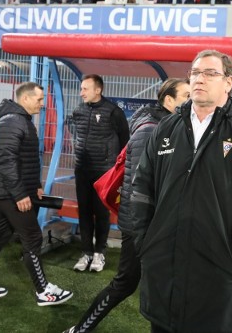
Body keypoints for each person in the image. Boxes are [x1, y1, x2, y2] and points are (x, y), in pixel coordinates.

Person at [131, 50, 232, 333]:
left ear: (228, 82)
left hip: (217, 274)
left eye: (210, 73)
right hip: (164, 267)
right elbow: (141, 190)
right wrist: (144, 242)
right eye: (195, 72)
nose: (200, 79)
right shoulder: (166, 128)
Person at [64, 78, 190, 333]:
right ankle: (81, 329)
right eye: (186, 96)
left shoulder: (173, 127)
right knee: (126, 284)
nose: (192, 100)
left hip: (158, 225)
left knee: (168, 286)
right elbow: (140, 185)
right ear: (169, 101)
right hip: (142, 226)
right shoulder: (150, 130)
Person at [0, 82, 73, 306]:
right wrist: (19, 195)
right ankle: (44, 291)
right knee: (33, 237)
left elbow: (25, 160)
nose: (42, 104)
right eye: (39, 99)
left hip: (15, 191)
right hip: (10, 194)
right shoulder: (12, 123)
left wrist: (34, 185)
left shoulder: (21, 121)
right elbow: (6, 163)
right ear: (25, 99)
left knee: (0, 236)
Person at [72, 74, 130, 272]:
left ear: (98, 90)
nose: (81, 93)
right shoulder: (78, 111)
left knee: (101, 213)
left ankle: (99, 254)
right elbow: (77, 137)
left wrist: (115, 167)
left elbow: (125, 141)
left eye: (85, 89)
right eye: (81, 89)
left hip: (104, 172)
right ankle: (86, 252)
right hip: (82, 170)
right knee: (85, 212)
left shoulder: (114, 112)